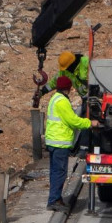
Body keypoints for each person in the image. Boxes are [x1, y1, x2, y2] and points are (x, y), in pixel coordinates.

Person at [42, 75, 91, 212]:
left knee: (55, 172)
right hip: (60, 143)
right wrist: (89, 123)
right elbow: (73, 121)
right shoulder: (62, 101)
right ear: (67, 88)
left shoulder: (54, 98)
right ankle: (54, 200)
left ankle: (54, 199)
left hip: (53, 142)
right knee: (59, 173)